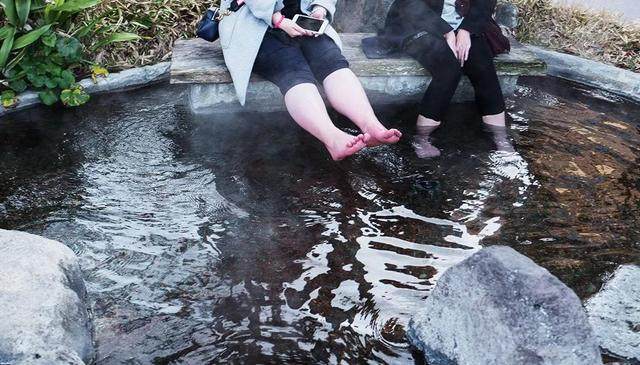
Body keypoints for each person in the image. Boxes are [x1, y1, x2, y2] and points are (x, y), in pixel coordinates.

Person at [218, 0, 402, 161]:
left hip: (303, 21)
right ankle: (332, 138)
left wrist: (320, 9)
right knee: (293, 70)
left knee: (332, 61)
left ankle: (371, 126)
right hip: (257, 26)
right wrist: (278, 20)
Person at [364, 0, 513, 158]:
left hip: (464, 25)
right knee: (448, 69)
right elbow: (409, 4)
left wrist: (466, 30)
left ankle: (500, 137)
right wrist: (446, 32)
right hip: (417, 25)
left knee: (483, 65)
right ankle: (422, 138)